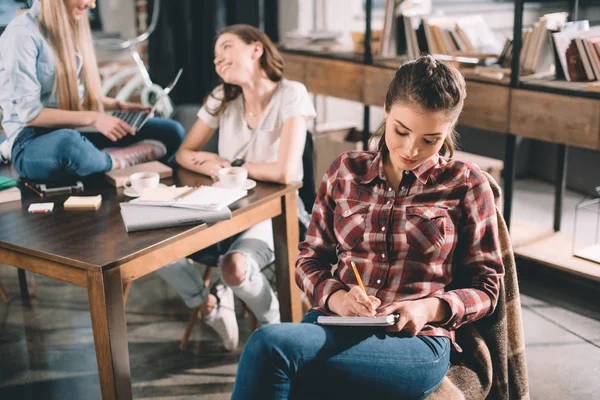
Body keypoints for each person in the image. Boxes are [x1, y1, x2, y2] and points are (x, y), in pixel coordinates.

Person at [231, 55, 505, 399]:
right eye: (401, 131)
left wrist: (427, 308)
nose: (411, 149)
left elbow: (488, 287)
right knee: (277, 358)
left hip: (417, 344)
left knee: (269, 347)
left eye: (430, 139)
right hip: (336, 323)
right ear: (386, 111)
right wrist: (338, 298)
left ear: (449, 130)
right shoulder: (345, 171)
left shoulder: (466, 183)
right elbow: (308, 260)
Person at [156, 24, 316, 351]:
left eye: (226, 48)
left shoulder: (291, 94)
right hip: (224, 208)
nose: (218, 60)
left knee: (234, 266)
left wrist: (234, 167)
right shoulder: (222, 98)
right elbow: (184, 153)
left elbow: (286, 173)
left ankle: (281, 334)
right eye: (215, 56)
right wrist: (213, 164)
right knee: (152, 244)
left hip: (277, 215)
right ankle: (209, 303)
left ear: (256, 49)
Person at [0, 0, 184, 180]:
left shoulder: (71, 27)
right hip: (30, 140)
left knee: (172, 131)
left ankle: (95, 159)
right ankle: (114, 161)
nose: (92, 4)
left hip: (72, 128)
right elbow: (30, 114)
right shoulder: (21, 34)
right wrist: (95, 118)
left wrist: (120, 106)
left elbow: (78, 97)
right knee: (68, 145)